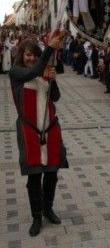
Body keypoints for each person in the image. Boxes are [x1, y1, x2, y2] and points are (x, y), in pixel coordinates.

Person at [9, 32, 68, 237]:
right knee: (34, 176)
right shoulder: (16, 73)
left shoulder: (43, 71)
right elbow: (31, 72)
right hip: (29, 131)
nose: (32, 58)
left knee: (51, 172)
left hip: (50, 128)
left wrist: (53, 79)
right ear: (21, 56)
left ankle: (48, 208)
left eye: (35, 54)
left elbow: (56, 97)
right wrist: (49, 49)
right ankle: (36, 217)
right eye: (28, 54)